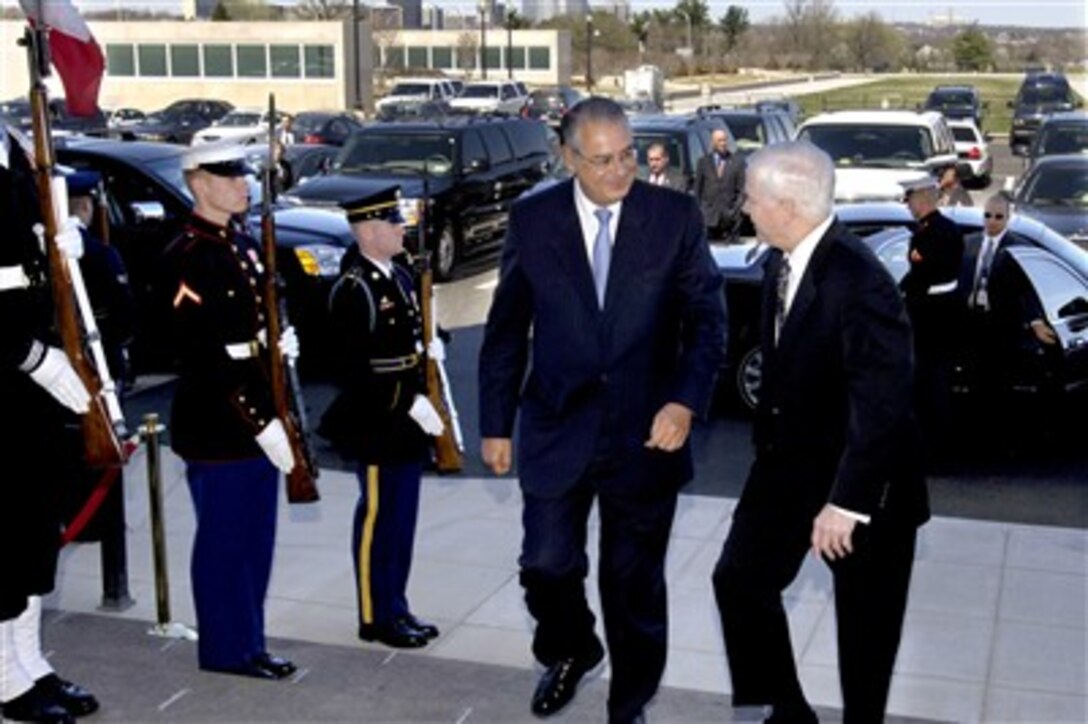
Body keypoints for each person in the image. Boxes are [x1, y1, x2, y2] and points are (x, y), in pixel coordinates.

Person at [478, 97, 726, 724]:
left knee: (632, 583)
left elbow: (706, 323)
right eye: (602, 161)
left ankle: (629, 703)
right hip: (557, 423)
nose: (620, 172)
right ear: (568, 159)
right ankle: (572, 647)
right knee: (545, 564)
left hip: (647, 435)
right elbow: (506, 329)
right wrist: (493, 422)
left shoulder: (674, 216)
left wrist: (684, 401)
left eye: (628, 156)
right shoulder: (532, 220)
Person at [712, 140, 929, 724]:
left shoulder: (859, 280)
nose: (745, 209)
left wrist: (848, 503)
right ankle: (786, 713)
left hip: (863, 488)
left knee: (866, 638)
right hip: (788, 469)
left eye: (752, 199)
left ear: (787, 204)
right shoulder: (779, 260)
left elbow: (882, 403)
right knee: (738, 583)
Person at [165, 142, 299, 680]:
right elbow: (201, 354)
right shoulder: (188, 254)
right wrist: (258, 417)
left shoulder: (240, 245)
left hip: (254, 417)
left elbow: (249, 328)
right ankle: (226, 648)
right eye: (229, 176)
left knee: (254, 538)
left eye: (243, 175)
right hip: (219, 423)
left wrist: (277, 343)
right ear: (199, 183)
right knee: (226, 540)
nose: (243, 184)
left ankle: (250, 640)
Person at [0, 125, 100, 722]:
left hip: (32, 378)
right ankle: (5, 679)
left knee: (35, 528)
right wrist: (31, 355)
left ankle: (30, 662)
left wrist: (59, 245)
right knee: (3, 534)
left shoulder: (14, 145)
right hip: (10, 368)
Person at [317, 186, 444, 650]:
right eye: (393, 223)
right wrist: (406, 398)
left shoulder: (400, 276)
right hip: (376, 421)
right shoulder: (355, 290)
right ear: (369, 232)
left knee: (402, 519)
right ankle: (374, 615)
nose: (401, 228)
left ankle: (397, 605)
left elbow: (413, 336)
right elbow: (352, 369)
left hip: (406, 421)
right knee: (377, 518)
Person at [899, 175, 964, 464]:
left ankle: (936, 448)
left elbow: (925, 274)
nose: (909, 205)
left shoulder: (937, 232)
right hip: (930, 311)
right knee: (925, 383)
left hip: (933, 315)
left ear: (923, 199)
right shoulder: (928, 229)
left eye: (911, 199)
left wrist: (905, 292)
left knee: (933, 383)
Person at [693, 128, 745, 241]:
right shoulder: (703, 162)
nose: (723, 143)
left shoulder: (737, 162)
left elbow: (742, 190)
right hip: (709, 219)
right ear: (713, 142)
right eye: (719, 140)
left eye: (725, 140)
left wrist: (734, 210)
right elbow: (698, 190)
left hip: (730, 220)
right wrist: (701, 211)